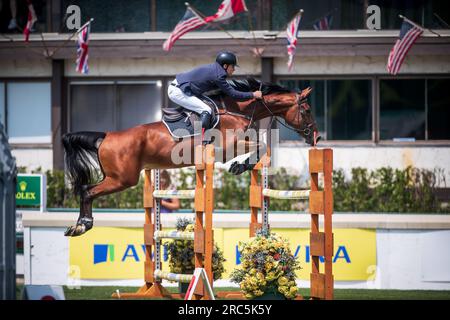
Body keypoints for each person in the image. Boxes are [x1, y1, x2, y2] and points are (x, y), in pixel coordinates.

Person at [168, 51, 263, 144]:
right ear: (225, 66)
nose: (234, 69)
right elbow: (233, 94)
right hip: (178, 91)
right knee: (206, 110)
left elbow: (228, 90)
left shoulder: (216, 70)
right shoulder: (218, 75)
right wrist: (253, 94)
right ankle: (202, 140)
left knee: (209, 105)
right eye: (232, 66)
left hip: (184, 88)